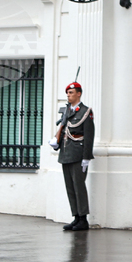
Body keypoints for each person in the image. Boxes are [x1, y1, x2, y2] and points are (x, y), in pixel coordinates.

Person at [54, 82, 95, 232]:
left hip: (78, 155)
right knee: (70, 187)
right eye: (67, 93)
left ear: (79, 94)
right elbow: (64, 130)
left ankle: (83, 219)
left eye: (71, 92)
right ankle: (76, 216)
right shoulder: (66, 111)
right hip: (66, 153)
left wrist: (86, 157)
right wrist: (56, 142)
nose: (68, 95)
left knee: (79, 187)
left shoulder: (85, 112)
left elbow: (89, 136)